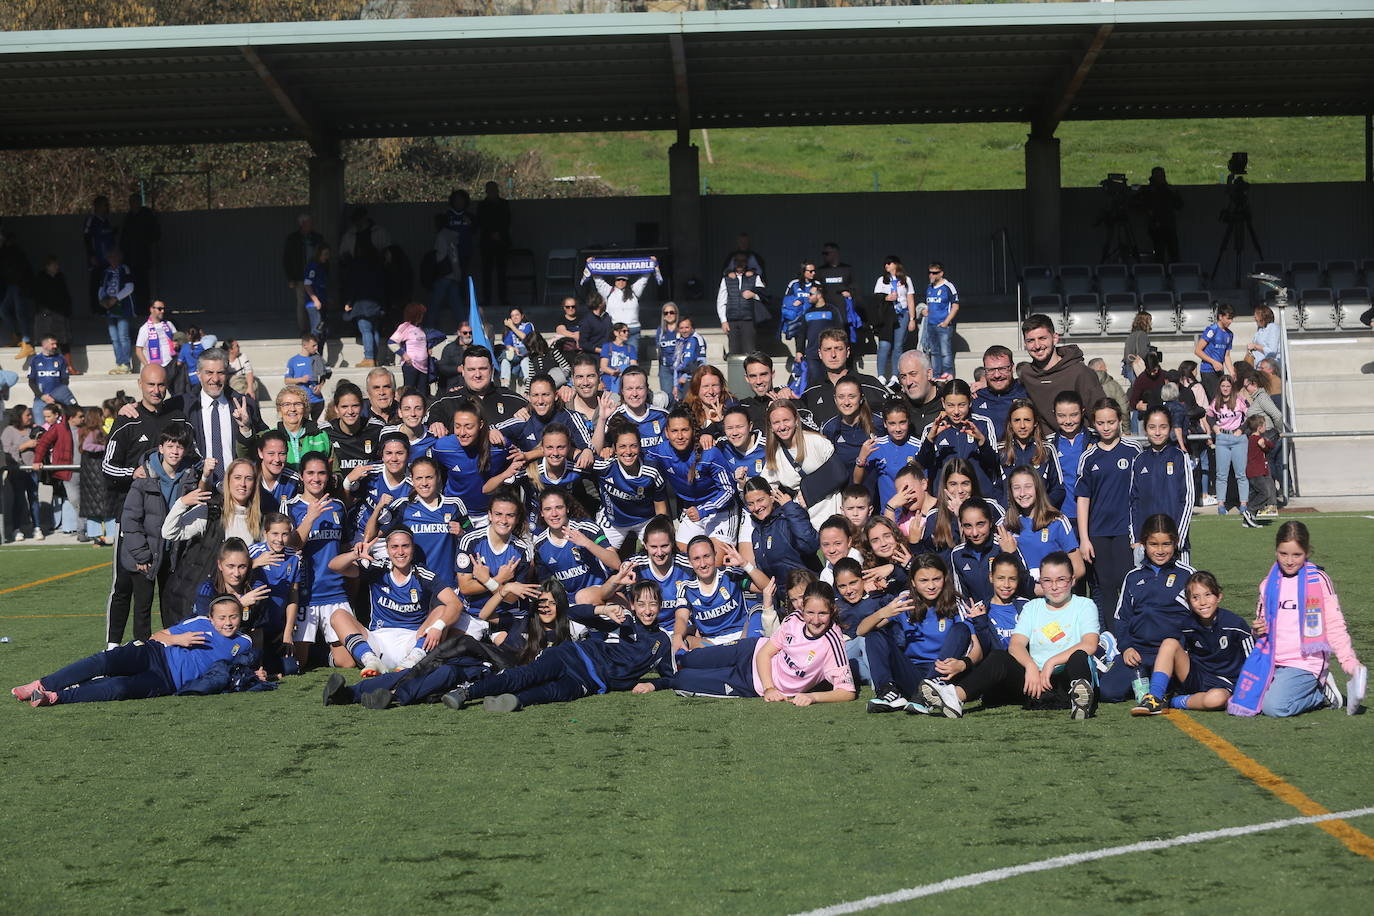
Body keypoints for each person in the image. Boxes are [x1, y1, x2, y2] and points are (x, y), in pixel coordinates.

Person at [439, 580, 675, 713]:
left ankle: (512, 701)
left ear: (660, 606)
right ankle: (467, 692)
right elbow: (571, 612)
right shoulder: (621, 618)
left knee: (555, 694)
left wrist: (653, 684)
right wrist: (603, 609)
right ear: (632, 605)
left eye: (653, 604)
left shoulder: (663, 640)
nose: (647, 609)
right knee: (526, 675)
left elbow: (671, 677)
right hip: (572, 655)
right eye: (641, 603)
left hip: (592, 683)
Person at [917, 551, 1099, 720]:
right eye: (1047, 580)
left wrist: (1052, 662)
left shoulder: (1084, 605)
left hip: (1067, 677)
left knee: (1079, 656)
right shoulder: (1032, 607)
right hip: (1035, 682)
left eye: (1061, 580)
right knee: (999, 657)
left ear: (1073, 580)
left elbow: (1089, 644)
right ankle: (955, 697)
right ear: (1040, 583)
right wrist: (1030, 666)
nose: (1054, 586)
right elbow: (1016, 645)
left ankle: (1080, 700)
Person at [12, 595, 260, 707]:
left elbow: (247, 668)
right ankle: (43, 684)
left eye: (233, 617)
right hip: (154, 653)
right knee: (104, 662)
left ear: (241, 617)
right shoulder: (199, 623)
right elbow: (156, 636)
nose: (228, 622)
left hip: (166, 681)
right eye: (222, 617)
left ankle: (54, 697)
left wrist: (259, 675)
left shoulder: (244, 642)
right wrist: (178, 639)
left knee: (119, 688)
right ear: (212, 617)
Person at [1230, 521, 1366, 718]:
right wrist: (1257, 630)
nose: (1289, 561)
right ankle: (1292, 686)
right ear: (1276, 550)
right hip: (1272, 661)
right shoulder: (1268, 584)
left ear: (1307, 552)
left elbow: (1335, 625)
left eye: (1297, 555)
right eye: (1283, 554)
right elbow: (1261, 625)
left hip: (1305, 663)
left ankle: (1322, 693)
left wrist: (1349, 663)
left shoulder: (1319, 580)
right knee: (1245, 698)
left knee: (1273, 707)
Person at [648, 580, 855, 705]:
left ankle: (662, 681)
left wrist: (813, 697)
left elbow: (847, 692)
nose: (815, 619)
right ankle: (653, 662)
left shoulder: (832, 643)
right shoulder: (794, 619)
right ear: (802, 609)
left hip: (749, 683)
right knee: (692, 659)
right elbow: (765, 653)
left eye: (822, 614)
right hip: (750, 651)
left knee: (683, 680)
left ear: (832, 611)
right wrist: (769, 689)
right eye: (810, 612)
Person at [328, 527, 466, 672]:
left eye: (405, 546)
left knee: (442, 609)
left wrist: (438, 627)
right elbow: (334, 566)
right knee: (338, 615)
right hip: (377, 642)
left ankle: (412, 662)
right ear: (387, 549)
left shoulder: (423, 573)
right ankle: (370, 660)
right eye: (394, 547)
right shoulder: (377, 568)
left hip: (412, 643)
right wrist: (354, 554)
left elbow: (455, 604)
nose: (400, 552)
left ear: (412, 548)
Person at [860, 553, 974, 714]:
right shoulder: (905, 601)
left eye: (936, 579)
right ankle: (888, 692)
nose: (931, 586)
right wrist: (884, 612)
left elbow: (976, 646)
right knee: (874, 634)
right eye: (924, 580)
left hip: (941, 675)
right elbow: (861, 630)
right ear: (913, 582)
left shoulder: (956, 603)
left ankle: (930, 692)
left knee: (961, 629)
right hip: (911, 672)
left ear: (945, 578)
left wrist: (964, 663)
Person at [1099, 513, 1193, 701]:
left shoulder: (1188, 576)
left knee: (1187, 689)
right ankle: (1115, 660)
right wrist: (1126, 648)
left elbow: (1197, 621)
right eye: (1153, 544)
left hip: (1172, 655)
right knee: (1108, 692)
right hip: (1139, 652)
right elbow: (1122, 618)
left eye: (1166, 544)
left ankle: (1156, 680)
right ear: (1143, 544)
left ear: (1176, 542)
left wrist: (1185, 651)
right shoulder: (1133, 577)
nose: (1160, 550)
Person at [1130, 571, 1252, 715]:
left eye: (1208, 595)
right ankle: (1155, 698)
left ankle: (1173, 702)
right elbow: (1181, 653)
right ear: (1188, 602)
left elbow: (1254, 660)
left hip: (1227, 683)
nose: (1203, 602)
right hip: (1197, 676)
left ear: (1219, 596)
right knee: (1169, 643)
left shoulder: (1235, 625)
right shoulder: (1187, 624)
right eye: (1195, 597)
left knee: (1215, 699)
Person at [120, 426, 197, 641]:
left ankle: (172, 647)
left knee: (171, 605)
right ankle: (142, 650)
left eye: (180, 447)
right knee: (143, 607)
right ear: (161, 448)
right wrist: (141, 554)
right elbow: (130, 520)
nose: (174, 451)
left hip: (172, 554)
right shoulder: (144, 478)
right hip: (145, 554)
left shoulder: (190, 477)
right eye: (170, 446)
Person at [1076, 399, 1142, 629]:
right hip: (1099, 533)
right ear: (1094, 423)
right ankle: (1113, 638)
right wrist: (1084, 538)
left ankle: (1132, 633)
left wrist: (1141, 533)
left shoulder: (1133, 450)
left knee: (1127, 582)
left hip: (1127, 532)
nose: (1106, 427)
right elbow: (1083, 499)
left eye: (1111, 422)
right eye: (1101, 422)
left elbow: (1140, 494)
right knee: (1104, 586)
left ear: (1119, 421)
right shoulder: (1089, 456)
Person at [284, 452, 351, 668]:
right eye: (310, 473)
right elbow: (291, 546)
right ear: (301, 476)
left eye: (321, 473)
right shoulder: (291, 507)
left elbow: (343, 547)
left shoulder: (338, 506)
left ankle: (325, 656)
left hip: (334, 592)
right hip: (304, 595)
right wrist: (310, 517)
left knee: (348, 662)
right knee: (296, 664)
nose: (316, 478)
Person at [649, 408, 737, 552]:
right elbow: (637, 457)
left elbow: (728, 490)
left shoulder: (709, 453)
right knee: (681, 558)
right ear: (666, 433)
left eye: (685, 430)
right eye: (674, 431)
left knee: (716, 562)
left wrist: (703, 510)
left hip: (720, 511)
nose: (680, 436)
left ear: (693, 431)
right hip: (691, 510)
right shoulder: (660, 452)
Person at [674, 536, 771, 654]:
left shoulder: (730, 574)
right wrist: (678, 636)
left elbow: (767, 587)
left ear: (715, 555)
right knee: (681, 644)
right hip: (710, 645)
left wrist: (745, 564)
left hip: (742, 637)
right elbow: (681, 618)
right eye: (696, 559)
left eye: (706, 556)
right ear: (690, 562)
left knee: (757, 615)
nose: (703, 564)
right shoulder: (687, 588)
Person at [587, 421, 669, 551]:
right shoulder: (605, 466)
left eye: (633, 446)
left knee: (661, 551)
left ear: (640, 446)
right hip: (613, 521)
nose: (628, 452)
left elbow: (660, 508)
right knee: (601, 558)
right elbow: (575, 456)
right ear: (614, 448)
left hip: (645, 520)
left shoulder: (652, 470)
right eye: (622, 446)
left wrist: (662, 532)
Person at [1016, 314, 1106, 433]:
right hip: (1044, 447)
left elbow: (1101, 415)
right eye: (1031, 340)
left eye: (1042, 338)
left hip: (1079, 446)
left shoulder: (1081, 372)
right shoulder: (1026, 375)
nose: (1037, 346)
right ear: (1025, 344)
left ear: (1055, 338)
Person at [762, 399, 845, 527]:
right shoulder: (774, 456)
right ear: (771, 427)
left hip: (832, 511)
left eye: (786, 420)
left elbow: (840, 473)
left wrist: (809, 492)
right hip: (804, 520)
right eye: (776, 422)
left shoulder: (816, 442)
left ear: (796, 420)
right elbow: (765, 487)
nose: (782, 426)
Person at [1128, 407, 1194, 564]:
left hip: (1174, 543)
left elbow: (1188, 499)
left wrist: (1178, 538)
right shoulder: (1139, 460)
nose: (1157, 432)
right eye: (1152, 427)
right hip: (1146, 543)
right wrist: (1136, 538)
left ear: (1170, 428)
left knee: (1179, 586)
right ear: (1145, 429)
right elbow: (1133, 501)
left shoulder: (1180, 457)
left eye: (1163, 427)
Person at [915, 380, 999, 497]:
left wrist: (981, 441)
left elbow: (994, 463)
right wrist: (930, 440)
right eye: (950, 405)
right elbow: (921, 465)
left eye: (961, 405)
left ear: (970, 402)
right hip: (944, 501)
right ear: (943, 403)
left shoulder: (983, 424)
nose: (956, 412)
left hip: (979, 500)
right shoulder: (931, 429)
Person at [531, 486, 620, 599]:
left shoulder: (586, 528)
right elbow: (546, 584)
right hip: (571, 603)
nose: (554, 514)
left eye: (559, 507)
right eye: (548, 509)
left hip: (603, 592)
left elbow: (616, 563)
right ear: (542, 513)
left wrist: (587, 543)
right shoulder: (540, 544)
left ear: (567, 508)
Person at [1002, 466, 1083, 587]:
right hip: (1022, 595)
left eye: (1028, 487)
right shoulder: (1007, 525)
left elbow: (1079, 568)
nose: (1022, 493)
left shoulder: (1057, 521)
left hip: (1052, 595)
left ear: (1038, 488)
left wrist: (1055, 587)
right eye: (1016, 488)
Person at [741, 477, 821, 595]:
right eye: (751, 504)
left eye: (760, 500)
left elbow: (810, 544)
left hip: (811, 594)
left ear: (772, 497)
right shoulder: (756, 534)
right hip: (788, 603)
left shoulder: (788, 519)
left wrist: (790, 507)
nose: (757, 507)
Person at [247, 512, 302, 676]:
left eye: (285, 534)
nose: (280, 539)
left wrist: (288, 632)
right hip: (253, 625)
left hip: (277, 626)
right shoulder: (254, 552)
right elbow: (233, 578)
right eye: (275, 534)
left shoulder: (294, 558)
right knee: (255, 664)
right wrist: (255, 563)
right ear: (265, 533)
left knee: (290, 669)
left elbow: (293, 596)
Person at [163, 456, 261, 545]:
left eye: (248, 478)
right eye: (237, 478)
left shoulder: (261, 519)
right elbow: (169, 533)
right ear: (228, 481)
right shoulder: (210, 511)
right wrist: (182, 503)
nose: (242, 484)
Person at [800, 329, 886, 426]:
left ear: (848, 352)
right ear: (820, 354)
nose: (833, 355)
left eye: (838, 349)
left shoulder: (869, 384)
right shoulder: (811, 391)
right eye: (827, 349)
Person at [998, 398, 1065, 509]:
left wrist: (1043, 508)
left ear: (1035, 422)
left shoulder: (1047, 449)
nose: (1022, 425)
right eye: (1017, 420)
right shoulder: (1000, 451)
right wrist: (1004, 511)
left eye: (1027, 420)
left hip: (1040, 517)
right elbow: (994, 488)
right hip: (1009, 519)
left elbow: (1058, 489)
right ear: (1010, 423)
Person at [1205, 374, 1253, 524]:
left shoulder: (1239, 400)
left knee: (1241, 474)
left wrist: (1242, 429)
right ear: (1220, 387)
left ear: (1232, 387)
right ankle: (1221, 505)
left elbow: (1250, 415)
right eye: (1223, 386)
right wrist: (1215, 428)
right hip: (1222, 439)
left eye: (1228, 386)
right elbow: (1209, 415)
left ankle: (1243, 504)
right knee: (1221, 474)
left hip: (1238, 439)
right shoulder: (1216, 401)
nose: (1225, 389)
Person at [869, 256, 917, 386]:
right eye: (885, 264)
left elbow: (910, 299)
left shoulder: (906, 280)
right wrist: (887, 298)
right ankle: (881, 375)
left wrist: (912, 318)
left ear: (896, 264)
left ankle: (896, 375)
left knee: (898, 345)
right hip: (887, 316)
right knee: (884, 345)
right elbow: (876, 299)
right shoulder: (882, 280)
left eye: (889, 263)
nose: (886, 266)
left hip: (902, 314)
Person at [821, 376, 882, 473]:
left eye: (852, 396)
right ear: (835, 399)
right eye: (841, 397)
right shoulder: (829, 428)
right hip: (845, 487)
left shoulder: (878, 423)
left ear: (861, 398)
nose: (846, 402)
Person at [30, 255, 77, 376]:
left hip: (60, 315)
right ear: (47, 266)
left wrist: (67, 309)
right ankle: (51, 368)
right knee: (50, 343)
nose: (57, 267)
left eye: (57, 264)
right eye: (54, 265)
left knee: (64, 342)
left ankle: (69, 366)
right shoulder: (40, 278)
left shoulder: (60, 277)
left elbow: (66, 295)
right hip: (46, 316)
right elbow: (37, 297)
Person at [970, 345, 1028, 443]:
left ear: (1012, 367)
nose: (997, 375)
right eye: (991, 370)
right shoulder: (975, 397)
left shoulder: (1027, 392)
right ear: (985, 371)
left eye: (1002, 368)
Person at [717, 251, 768, 356]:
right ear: (733, 263)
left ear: (747, 263)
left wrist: (753, 294)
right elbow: (721, 301)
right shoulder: (726, 279)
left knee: (750, 351)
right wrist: (723, 321)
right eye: (737, 261)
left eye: (743, 261)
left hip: (748, 319)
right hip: (732, 319)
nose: (740, 264)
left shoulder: (754, 277)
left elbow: (764, 296)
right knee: (734, 351)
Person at [267, 384, 330, 469]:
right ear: (279, 409)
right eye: (286, 404)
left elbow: (335, 471)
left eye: (298, 404)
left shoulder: (321, 436)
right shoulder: (270, 437)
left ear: (305, 408)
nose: (292, 409)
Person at [2, 405, 40, 542]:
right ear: (19, 417)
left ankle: (37, 527)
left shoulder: (32, 430)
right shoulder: (9, 431)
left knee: (34, 499)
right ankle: (16, 529)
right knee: (18, 499)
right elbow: (6, 450)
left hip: (32, 470)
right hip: (17, 471)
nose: (30, 417)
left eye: (30, 414)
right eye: (27, 415)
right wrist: (25, 446)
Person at [282, 214, 324, 334]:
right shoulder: (293, 239)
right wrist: (291, 278)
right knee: (302, 304)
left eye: (311, 223)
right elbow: (287, 259)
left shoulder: (317, 238)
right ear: (302, 224)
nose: (311, 225)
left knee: (317, 301)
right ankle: (304, 331)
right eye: (308, 223)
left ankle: (316, 329)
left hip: (316, 275)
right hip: (300, 276)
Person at [98, 248, 136, 375]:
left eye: (115, 257)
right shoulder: (106, 272)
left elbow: (130, 287)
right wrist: (102, 300)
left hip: (122, 308)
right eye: (110, 257)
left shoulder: (124, 269)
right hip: (110, 308)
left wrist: (116, 298)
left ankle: (126, 364)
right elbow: (102, 288)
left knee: (123, 336)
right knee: (114, 338)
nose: (112, 260)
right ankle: (119, 363)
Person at [922, 262, 960, 381]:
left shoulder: (948, 286)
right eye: (930, 272)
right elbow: (930, 304)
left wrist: (946, 322)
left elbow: (955, 305)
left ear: (941, 273)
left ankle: (948, 372)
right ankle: (937, 374)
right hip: (931, 324)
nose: (931, 275)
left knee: (945, 351)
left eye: (934, 273)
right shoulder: (929, 287)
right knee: (934, 352)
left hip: (943, 325)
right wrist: (926, 310)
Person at [477, 181, 512, 308]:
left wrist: (499, 233)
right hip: (487, 242)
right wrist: (491, 233)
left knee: (502, 271)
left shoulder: (503, 203)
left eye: (494, 189)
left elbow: (507, 220)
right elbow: (481, 221)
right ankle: (487, 299)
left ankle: (503, 298)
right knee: (487, 271)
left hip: (502, 241)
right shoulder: (482, 205)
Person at [1138, 166, 1182, 263]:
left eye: (1161, 176)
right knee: (1159, 254)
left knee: (1173, 253)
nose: (1160, 179)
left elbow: (1179, 204)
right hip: (1156, 226)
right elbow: (1140, 204)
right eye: (1157, 176)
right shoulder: (1149, 191)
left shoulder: (1168, 190)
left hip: (1168, 225)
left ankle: (1174, 272)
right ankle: (1162, 272)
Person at [27, 335, 75, 419]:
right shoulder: (35, 360)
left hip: (57, 401)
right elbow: (31, 382)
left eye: (56, 344)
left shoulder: (61, 359)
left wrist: (55, 397)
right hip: (40, 401)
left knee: (59, 429)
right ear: (44, 345)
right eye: (52, 344)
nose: (55, 346)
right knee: (41, 429)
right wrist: (42, 396)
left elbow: (65, 381)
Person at [1194, 302, 1235, 401]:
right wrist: (1213, 362)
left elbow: (1227, 356)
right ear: (1220, 316)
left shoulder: (1229, 334)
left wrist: (1232, 372)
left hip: (1219, 371)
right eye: (1228, 318)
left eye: (1232, 319)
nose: (1230, 321)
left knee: (1222, 399)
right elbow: (1198, 351)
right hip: (1208, 370)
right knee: (1215, 400)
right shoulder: (1212, 330)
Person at [1243, 414, 1278, 523]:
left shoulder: (1255, 439)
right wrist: (1265, 444)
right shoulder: (1256, 439)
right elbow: (1271, 445)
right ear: (1259, 428)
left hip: (1256, 472)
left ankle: (1249, 518)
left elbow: (1267, 448)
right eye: (1264, 425)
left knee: (1256, 493)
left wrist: (1264, 447)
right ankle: (1250, 510)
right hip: (1255, 472)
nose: (1265, 427)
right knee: (1265, 493)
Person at [284, 335, 326, 421]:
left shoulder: (317, 358)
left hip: (317, 400)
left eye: (316, 345)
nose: (316, 348)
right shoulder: (293, 361)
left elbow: (323, 376)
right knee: (303, 425)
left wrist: (320, 385)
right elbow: (287, 380)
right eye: (313, 345)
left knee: (317, 427)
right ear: (305, 345)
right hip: (302, 400)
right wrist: (301, 379)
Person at [497, 306, 535, 390]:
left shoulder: (527, 325)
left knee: (524, 360)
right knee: (505, 360)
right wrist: (513, 349)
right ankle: (505, 384)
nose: (515, 317)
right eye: (512, 316)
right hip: (514, 354)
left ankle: (528, 383)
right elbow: (507, 344)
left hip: (526, 352)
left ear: (522, 316)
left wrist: (512, 326)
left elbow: (525, 337)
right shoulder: (509, 329)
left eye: (517, 315)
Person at [134, 299, 176, 371]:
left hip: (173, 364)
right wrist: (147, 366)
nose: (162, 311)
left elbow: (177, 339)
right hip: (156, 366)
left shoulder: (169, 324)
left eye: (163, 309)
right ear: (151, 309)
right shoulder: (145, 328)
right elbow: (138, 350)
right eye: (159, 309)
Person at [671, 317, 705, 401]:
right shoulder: (679, 341)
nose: (684, 330)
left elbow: (702, 364)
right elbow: (676, 363)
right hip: (680, 382)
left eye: (687, 327)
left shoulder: (697, 339)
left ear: (692, 328)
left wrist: (687, 376)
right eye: (681, 328)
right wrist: (675, 385)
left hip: (692, 380)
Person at [301, 243, 330, 343]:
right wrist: (315, 300)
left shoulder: (321, 266)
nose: (327, 257)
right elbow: (307, 284)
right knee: (317, 329)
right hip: (314, 304)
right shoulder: (313, 267)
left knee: (323, 329)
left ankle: (319, 355)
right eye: (325, 254)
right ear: (319, 254)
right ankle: (312, 354)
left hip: (321, 301)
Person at [653, 301, 681, 400]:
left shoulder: (682, 328)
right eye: (666, 313)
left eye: (672, 312)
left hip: (680, 368)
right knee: (667, 397)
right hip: (665, 368)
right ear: (663, 316)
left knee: (681, 397)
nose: (669, 315)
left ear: (676, 314)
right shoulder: (660, 331)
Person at [600, 322, 637, 395]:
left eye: (628, 331)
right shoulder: (607, 347)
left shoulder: (630, 348)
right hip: (609, 383)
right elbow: (603, 367)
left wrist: (624, 374)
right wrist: (614, 372)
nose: (627, 333)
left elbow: (634, 366)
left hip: (625, 382)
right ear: (616, 333)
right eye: (624, 331)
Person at [1245, 305, 1280, 371]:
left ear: (1263, 316)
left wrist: (1255, 346)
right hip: (1258, 367)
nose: (1254, 317)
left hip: (1269, 368)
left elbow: (1272, 351)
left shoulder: (1273, 328)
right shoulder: (1260, 329)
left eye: (1256, 314)